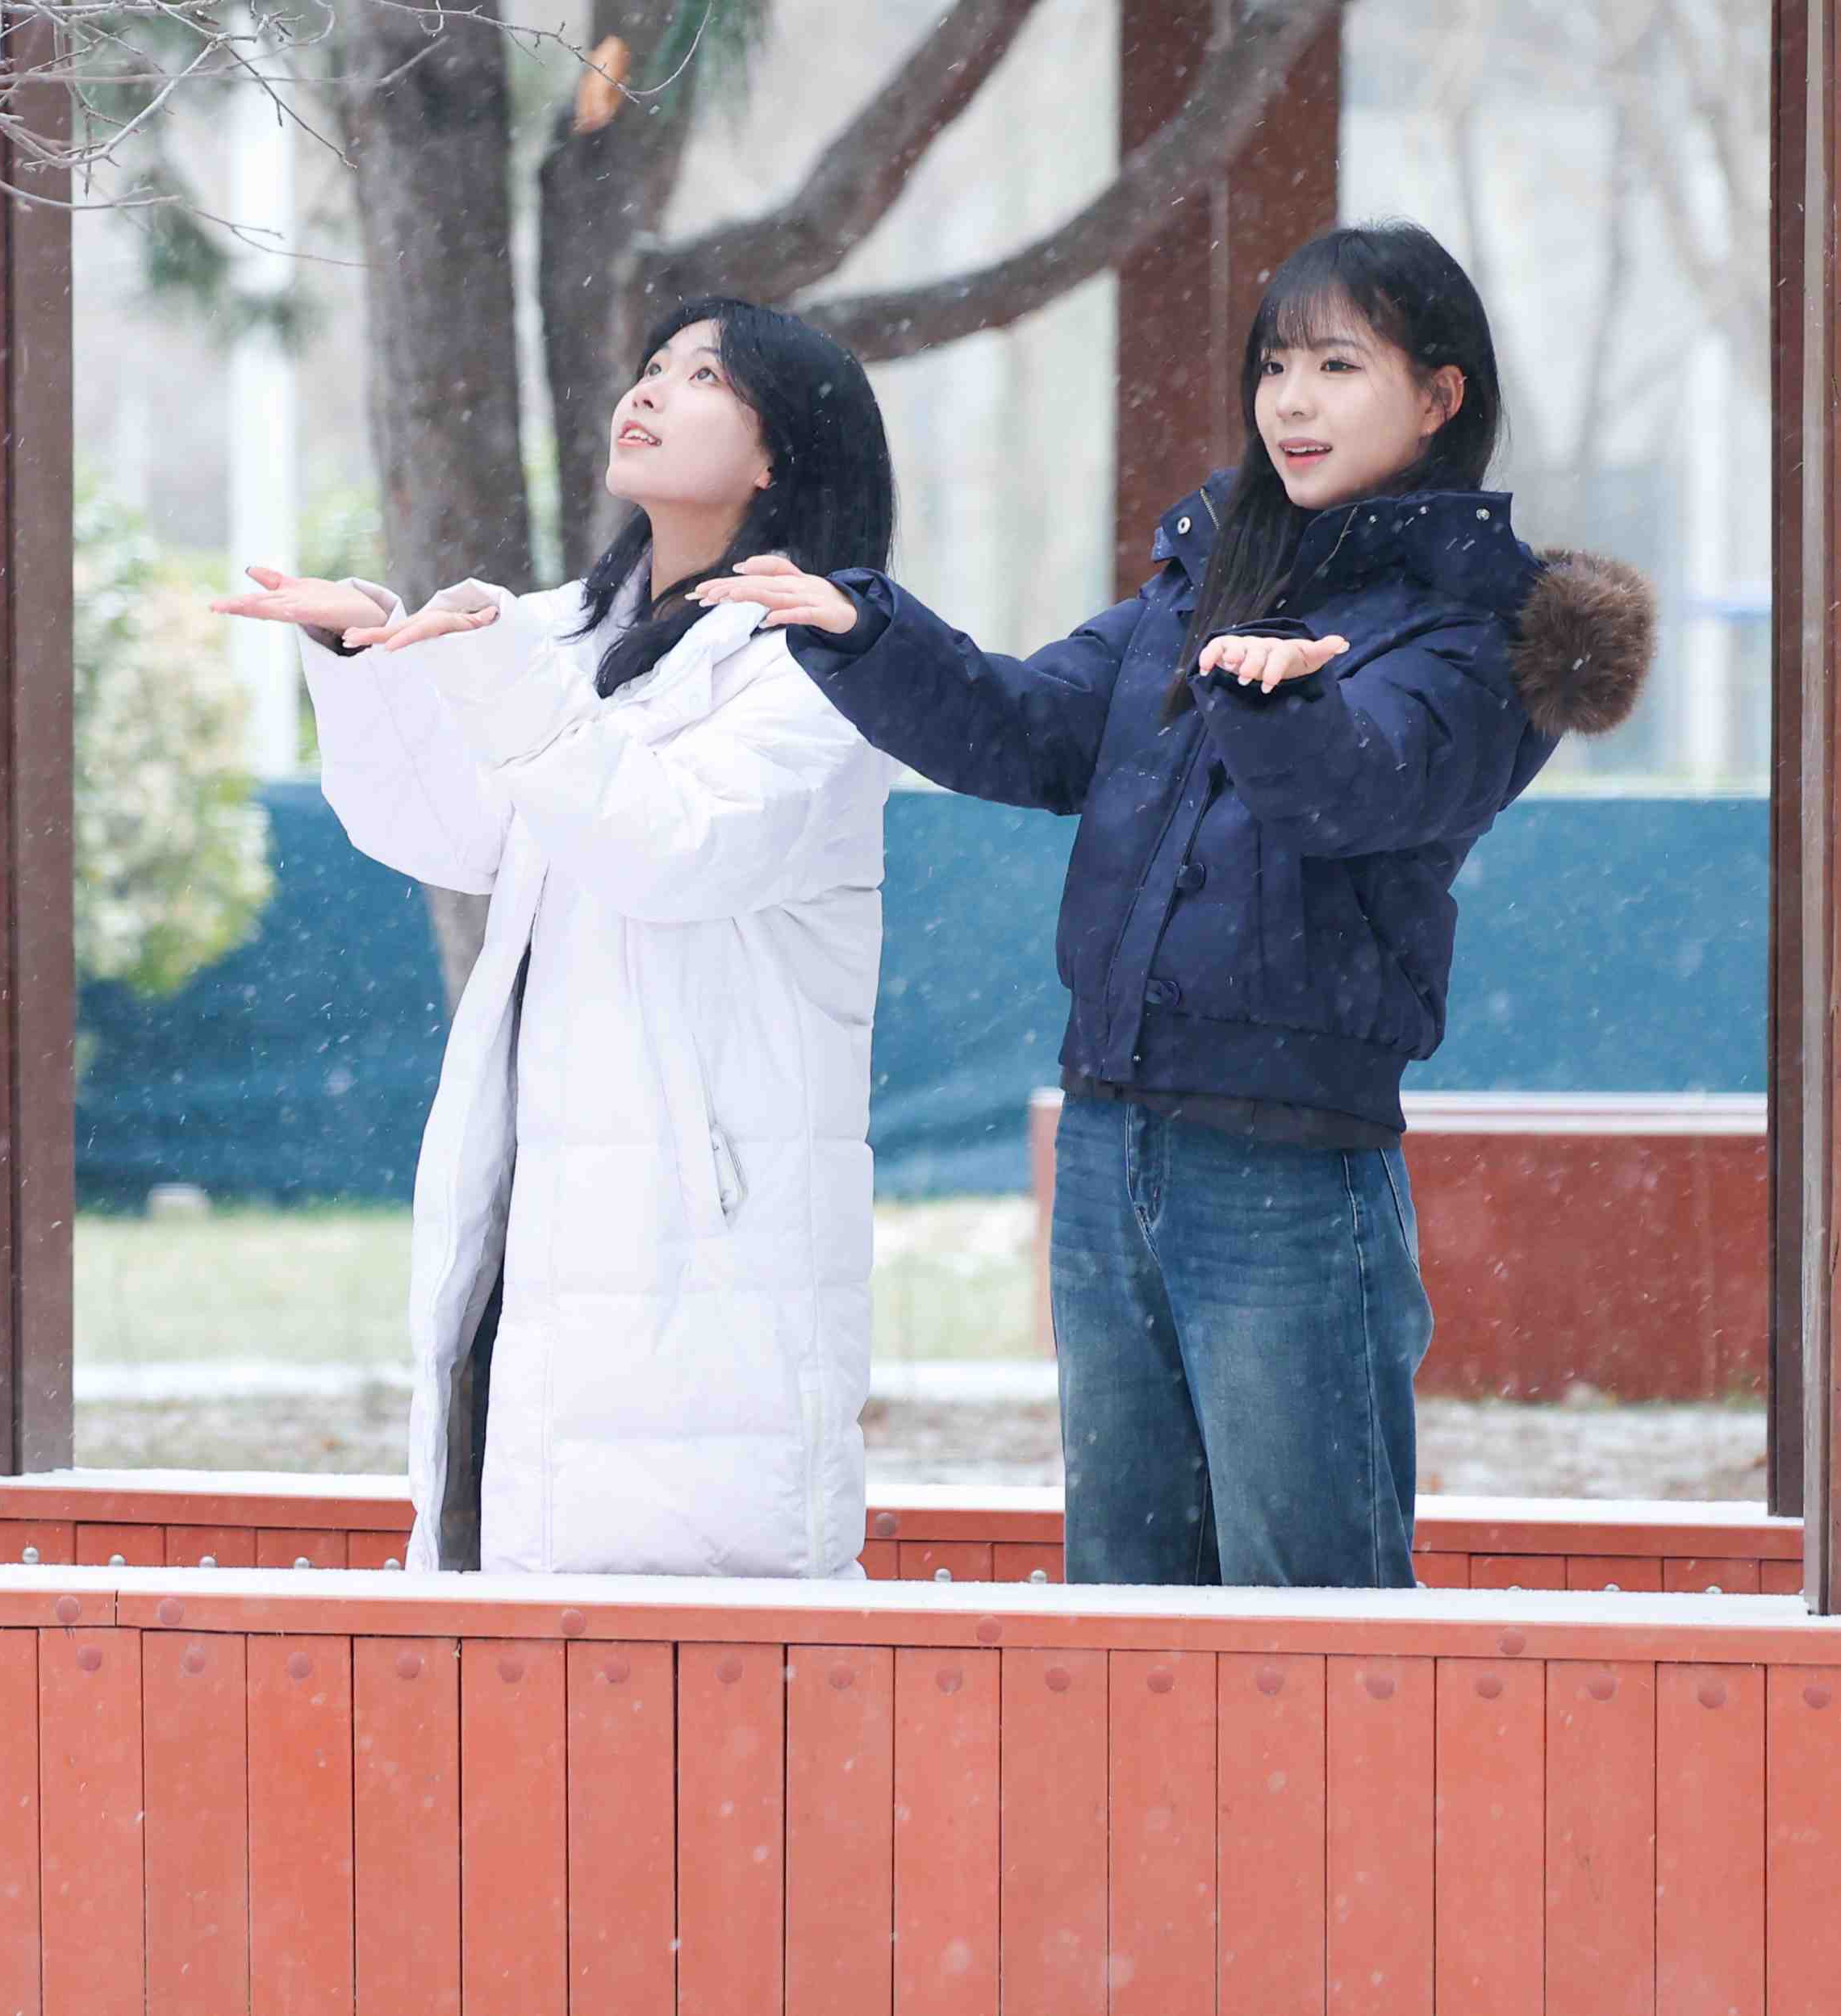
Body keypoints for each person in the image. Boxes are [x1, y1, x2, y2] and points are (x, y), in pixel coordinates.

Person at [701, 224, 1654, 1589]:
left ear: (1441, 396)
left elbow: (1358, 789)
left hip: (1288, 1171)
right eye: (1275, 366)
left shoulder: (1479, 635)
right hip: (1109, 1147)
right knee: (1128, 1592)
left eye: (1338, 365)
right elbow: (1031, 730)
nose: (1293, 402)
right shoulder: (1204, 577)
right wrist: (866, 632)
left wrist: (1284, 699)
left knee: (1310, 1599)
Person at [215, 299, 896, 1579]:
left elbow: (670, 847)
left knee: (689, 1617)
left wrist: (500, 670)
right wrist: (360, 653)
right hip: (542, 1185)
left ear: (780, 454)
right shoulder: (570, 634)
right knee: (507, 1563)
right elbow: (449, 831)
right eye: (652, 366)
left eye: (704, 377)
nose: (650, 390)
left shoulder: (825, 663)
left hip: (704, 1225)